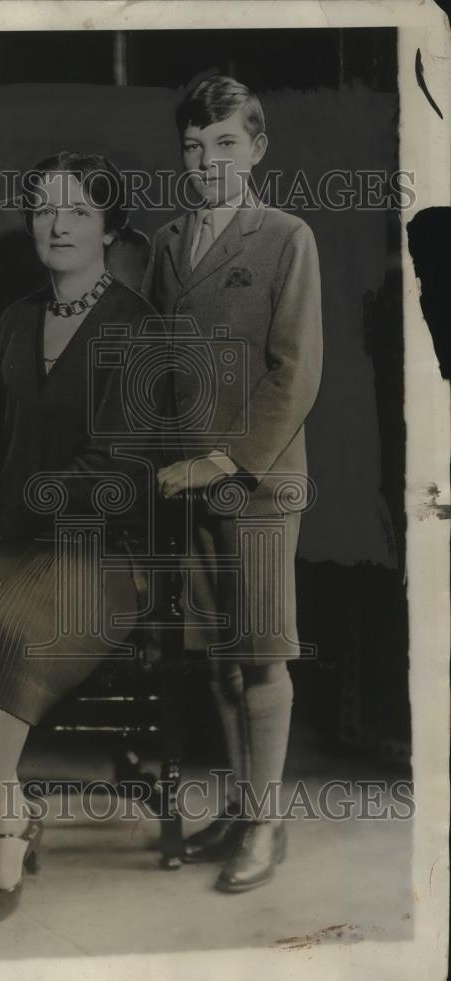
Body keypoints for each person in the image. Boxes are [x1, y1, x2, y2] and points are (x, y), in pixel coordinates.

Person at [0, 152, 160, 956]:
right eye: (44, 208)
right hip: (4, 540)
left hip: (100, 555)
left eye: (77, 210)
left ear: (108, 228)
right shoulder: (17, 321)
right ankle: (12, 824)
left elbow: (115, 471)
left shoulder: (137, 328)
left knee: (11, 633)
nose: (56, 223)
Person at [142, 75, 323, 891]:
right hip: (183, 484)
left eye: (223, 143)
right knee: (213, 656)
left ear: (254, 149)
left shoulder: (286, 237)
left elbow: (295, 371)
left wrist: (227, 460)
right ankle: (243, 806)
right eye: (191, 145)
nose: (206, 159)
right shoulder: (165, 241)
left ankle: (265, 821)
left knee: (261, 655)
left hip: (254, 483)